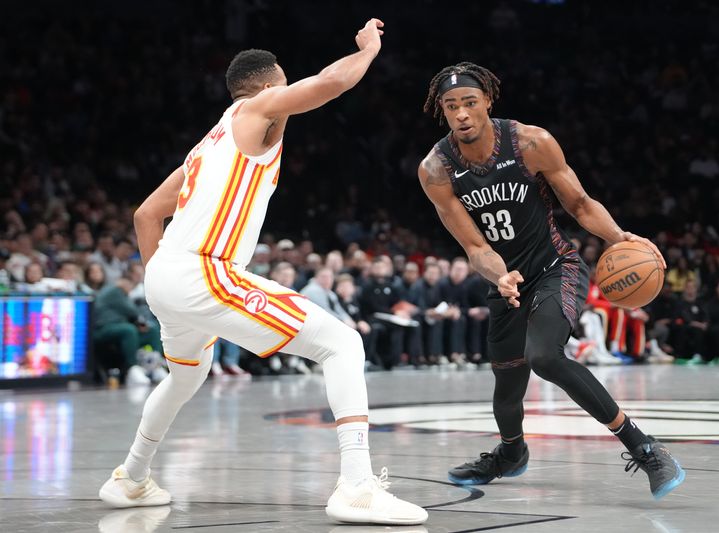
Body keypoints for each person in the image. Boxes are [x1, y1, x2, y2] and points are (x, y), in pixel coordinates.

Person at [98, 19, 427, 526]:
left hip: (164, 276)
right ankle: (357, 488)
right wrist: (368, 49)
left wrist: (163, 284)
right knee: (342, 343)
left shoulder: (205, 147)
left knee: (185, 378)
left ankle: (131, 477)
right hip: (203, 271)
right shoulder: (256, 108)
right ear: (273, 87)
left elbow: (146, 215)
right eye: (286, 85)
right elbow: (332, 83)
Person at [417, 62, 684, 499]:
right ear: (442, 111)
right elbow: (476, 248)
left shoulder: (530, 142)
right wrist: (501, 278)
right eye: (451, 106)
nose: (461, 113)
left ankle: (645, 446)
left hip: (555, 267)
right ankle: (511, 453)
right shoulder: (435, 169)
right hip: (506, 283)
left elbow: (579, 203)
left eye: (469, 102)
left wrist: (619, 236)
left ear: (486, 101)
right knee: (507, 387)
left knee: (543, 355)